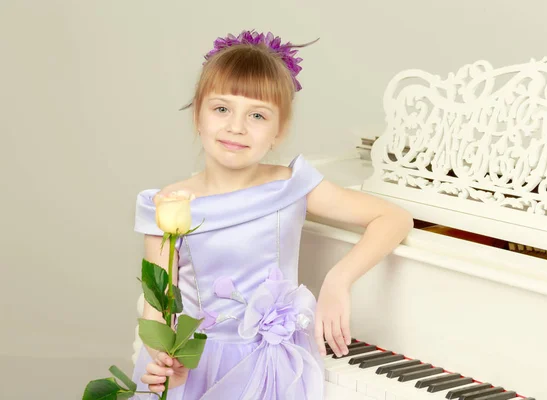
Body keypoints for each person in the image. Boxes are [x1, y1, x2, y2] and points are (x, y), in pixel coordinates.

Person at [131, 29, 413, 400]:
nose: (236, 127)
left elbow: (393, 219)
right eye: (221, 109)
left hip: (269, 367)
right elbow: (157, 306)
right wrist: (161, 357)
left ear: (279, 131)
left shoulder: (292, 185)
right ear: (198, 114)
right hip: (195, 365)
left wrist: (338, 280)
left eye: (258, 115)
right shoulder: (169, 202)